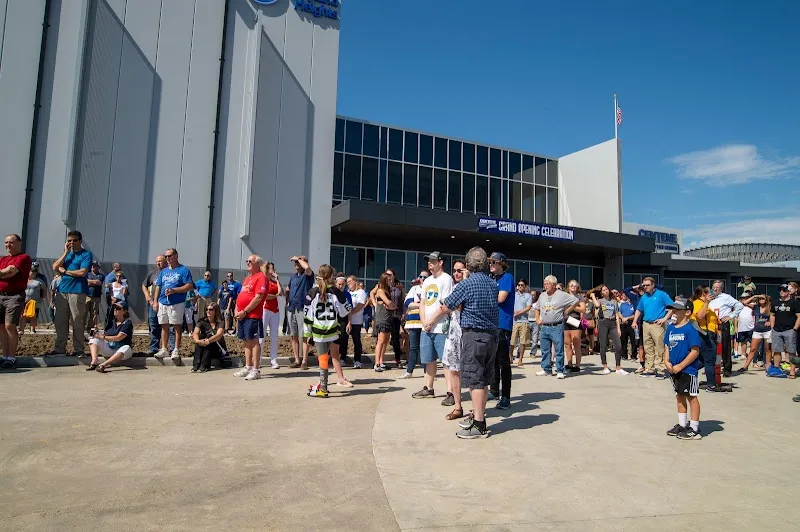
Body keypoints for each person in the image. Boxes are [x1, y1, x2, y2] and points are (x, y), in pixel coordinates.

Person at [435, 247, 498, 439]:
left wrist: (445, 303)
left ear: (469, 265)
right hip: (492, 336)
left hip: (474, 335)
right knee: (484, 379)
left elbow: (447, 305)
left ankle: (479, 424)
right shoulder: (492, 284)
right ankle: (478, 417)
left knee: (474, 380)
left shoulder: (466, 284)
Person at [305, 264, 354, 397]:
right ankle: (322, 384)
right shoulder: (336, 292)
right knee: (325, 357)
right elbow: (345, 310)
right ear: (331, 275)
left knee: (323, 359)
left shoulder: (313, 292)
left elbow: (307, 314)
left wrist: (307, 332)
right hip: (332, 331)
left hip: (318, 331)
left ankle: (324, 388)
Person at [415, 251, 454, 398]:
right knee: (428, 359)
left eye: (432, 260)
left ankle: (450, 392)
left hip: (440, 327)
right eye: (428, 260)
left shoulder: (446, 279)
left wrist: (431, 321)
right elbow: (423, 303)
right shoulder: (427, 281)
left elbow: (446, 304)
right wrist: (424, 321)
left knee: (445, 361)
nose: (429, 263)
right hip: (427, 327)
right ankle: (428, 388)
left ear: (440, 262)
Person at [663, 297, 703, 440]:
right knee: (679, 396)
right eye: (673, 309)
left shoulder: (690, 330)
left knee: (691, 396)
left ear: (687, 312)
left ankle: (694, 428)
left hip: (688, 369)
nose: (673, 312)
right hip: (674, 369)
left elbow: (695, 351)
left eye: (677, 309)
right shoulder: (671, 328)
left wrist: (681, 365)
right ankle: (682, 424)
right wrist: (666, 361)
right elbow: (667, 346)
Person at [50, 231, 92, 357]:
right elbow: (55, 266)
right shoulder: (68, 255)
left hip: (77, 291)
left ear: (80, 241)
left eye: (74, 240)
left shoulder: (86, 254)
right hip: (62, 291)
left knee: (77, 321)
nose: (71, 243)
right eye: (69, 240)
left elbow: (82, 273)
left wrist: (66, 272)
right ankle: (59, 348)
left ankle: (78, 349)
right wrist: (65, 253)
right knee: (60, 321)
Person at [152, 248, 194, 361]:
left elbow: (189, 286)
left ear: (176, 256)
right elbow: (158, 286)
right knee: (164, 325)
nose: (168, 258)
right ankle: (164, 349)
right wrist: (155, 301)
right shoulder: (164, 271)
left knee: (176, 326)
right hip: (162, 302)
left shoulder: (183, 270)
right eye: (166, 257)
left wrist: (175, 290)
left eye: (169, 256)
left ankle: (175, 349)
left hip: (176, 302)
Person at [231, 255, 267, 380]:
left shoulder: (261, 277)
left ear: (257, 263)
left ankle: (256, 369)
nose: (247, 263)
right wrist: (237, 309)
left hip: (252, 315)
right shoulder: (247, 279)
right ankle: (248, 366)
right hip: (242, 315)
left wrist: (245, 311)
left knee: (254, 341)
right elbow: (241, 295)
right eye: (246, 261)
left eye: (250, 261)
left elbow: (258, 297)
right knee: (246, 340)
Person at [535, 275, 578, 379]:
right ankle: (546, 369)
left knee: (559, 349)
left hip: (557, 326)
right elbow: (537, 308)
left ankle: (560, 370)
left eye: (548, 284)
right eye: (545, 284)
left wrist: (567, 311)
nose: (545, 285)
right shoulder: (542, 295)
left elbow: (576, 301)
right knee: (545, 349)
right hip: (544, 326)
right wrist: (537, 318)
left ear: (554, 285)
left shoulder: (561, 295)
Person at [441, 260, 467, 420]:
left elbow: (455, 305)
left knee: (469, 370)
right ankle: (458, 406)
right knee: (452, 368)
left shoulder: (468, 286)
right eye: (455, 270)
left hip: (467, 331)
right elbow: (448, 306)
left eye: (460, 270)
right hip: (453, 331)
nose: (457, 273)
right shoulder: (453, 287)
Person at [632, 277, 673, 379]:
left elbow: (672, 307)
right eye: (644, 285)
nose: (645, 287)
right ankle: (649, 368)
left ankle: (660, 369)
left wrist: (664, 319)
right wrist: (634, 321)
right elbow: (639, 309)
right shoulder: (644, 297)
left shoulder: (661, 294)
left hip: (657, 324)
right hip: (646, 323)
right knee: (648, 347)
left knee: (660, 347)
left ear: (653, 285)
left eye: (647, 285)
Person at [488, 252, 514, 409]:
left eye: (494, 262)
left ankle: (506, 396)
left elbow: (500, 298)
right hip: (491, 324)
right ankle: (494, 389)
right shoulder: (491, 279)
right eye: (490, 262)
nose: (491, 265)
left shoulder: (507, 278)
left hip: (502, 324)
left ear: (502, 264)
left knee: (503, 362)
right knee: (493, 361)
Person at [86, 300, 134, 373]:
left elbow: (118, 338)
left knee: (127, 348)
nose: (115, 309)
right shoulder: (111, 322)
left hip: (121, 352)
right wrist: (96, 330)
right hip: (109, 348)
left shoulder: (127, 323)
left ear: (124, 311)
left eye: (118, 308)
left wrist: (102, 337)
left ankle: (103, 365)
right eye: (114, 308)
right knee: (93, 339)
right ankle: (94, 361)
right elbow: (104, 334)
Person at [708, 280, 744, 378]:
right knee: (712, 347)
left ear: (721, 289)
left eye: (717, 287)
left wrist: (731, 316)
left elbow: (739, 305)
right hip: (711, 325)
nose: (715, 289)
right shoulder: (709, 298)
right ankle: (713, 368)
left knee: (725, 347)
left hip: (723, 324)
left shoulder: (726, 297)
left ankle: (727, 369)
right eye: (714, 287)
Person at [591, 285, 627, 374]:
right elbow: (596, 305)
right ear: (601, 293)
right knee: (603, 345)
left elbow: (617, 314)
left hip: (613, 323)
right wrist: (592, 296)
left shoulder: (614, 302)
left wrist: (618, 328)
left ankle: (618, 367)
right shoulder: (600, 301)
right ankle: (605, 366)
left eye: (607, 289)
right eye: (604, 290)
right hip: (603, 322)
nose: (606, 291)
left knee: (618, 345)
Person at [141, 255, 174, 355]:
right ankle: (153, 348)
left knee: (170, 326)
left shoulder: (170, 273)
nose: (158, 263)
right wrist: (148, 297)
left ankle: (172, 348)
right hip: (153, 304)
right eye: (157, 261)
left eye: (160, 261)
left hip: (167, 303)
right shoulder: (153, 273)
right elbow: (144, 285)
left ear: (166, 261)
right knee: (154, 325)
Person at [285, 256, 314, 370]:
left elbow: (307, 268)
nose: (296, 263)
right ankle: (297, 360)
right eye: (295, 262)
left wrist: (299, 258)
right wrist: (287, 301)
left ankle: (304, 361)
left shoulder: (307, 276)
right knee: (294, 335)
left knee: (304, 335)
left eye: (298, 262)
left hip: (302, 308)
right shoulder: (293, 277)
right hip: (292, 307)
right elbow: (288, 288)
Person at [398, 270, 427, 379]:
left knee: (425, 347)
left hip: (426, 321)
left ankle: (427, 372)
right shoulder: (414, 289)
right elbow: (408, 303)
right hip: (414, 322)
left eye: (425, 276)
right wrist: (422, 304)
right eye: (421, 276)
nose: (423, 279)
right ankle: (409, 371)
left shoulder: (430, 288)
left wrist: (418, 304)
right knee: (413, 347)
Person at [690, 285, 719, 391]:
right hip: (704, 334)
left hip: (708, 333)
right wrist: (706, 302)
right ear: (703, 294)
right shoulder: (698, 303)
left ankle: (684, 371)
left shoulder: (703, 304)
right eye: (709, 291)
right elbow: (700, 316)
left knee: (702, 360)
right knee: (710, 360)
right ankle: (711, 385)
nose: (712, 293)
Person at [770, 284, 800, 379]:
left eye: (784, 290)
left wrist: (795, 329)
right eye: (780, 290)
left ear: (788, 291)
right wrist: (772, 328)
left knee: (791, 352)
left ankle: (792, 371)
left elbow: (799, 316)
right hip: (777, 330)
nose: (782, 291)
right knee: (776, 351)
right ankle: (776, 370)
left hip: (790, 330)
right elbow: (772, 315)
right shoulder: (775, 302)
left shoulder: (794, 303)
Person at [191, 302, 227, 372]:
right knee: (200, 336)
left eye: (210, 309)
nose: (208, 311)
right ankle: (196, 364)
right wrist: (198, 341)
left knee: (210, 336)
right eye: (206, 309)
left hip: (217, 348)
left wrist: (208, 340)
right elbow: (195, 333)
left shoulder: (220, 322)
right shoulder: (201, 321)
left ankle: (204, 365)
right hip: (205, 347)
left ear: (216, 311)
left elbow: (219, 335)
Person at [259, 262, 282, 370]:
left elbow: (281, 293)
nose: (272, 270)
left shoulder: (274, 281)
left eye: (273, 268)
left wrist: (277, 280)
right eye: (271, 268)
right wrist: (275, 295)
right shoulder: (263, 280)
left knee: (274, 337)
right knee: (261, 336)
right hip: (265, 309)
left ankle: (274, 360)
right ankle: (258, 360)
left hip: (275, 311)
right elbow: (265, 296)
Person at [371, 273, 395, 372]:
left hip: (388, 317)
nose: (391, 281)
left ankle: (381, 361)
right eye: (389, 279)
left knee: (385, 341)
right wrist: (375, 304)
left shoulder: (387, 290)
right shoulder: (380, 290)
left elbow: (390, 304)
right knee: (380, 341)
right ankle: (376, 363)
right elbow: (388, 302)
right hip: (382, 318)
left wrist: (391, 306)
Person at [563, 280, 586, 373]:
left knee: (576, 344)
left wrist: (572, 306)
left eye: (575, 285)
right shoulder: (564, 296)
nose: (573, 286)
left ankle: (577, 365)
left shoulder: (580, 297)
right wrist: (573, 305)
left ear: (577, 287)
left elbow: (583, 309)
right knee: (567, 344)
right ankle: (569, 364)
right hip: (565, 321)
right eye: (571, 285)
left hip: (575, 321)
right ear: (568, 287)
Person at [346, 275, 368, 369]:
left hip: (356, 320)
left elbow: (360, 305)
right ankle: (343, 358)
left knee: (356, 341)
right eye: (347, 282)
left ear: (355, 281)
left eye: (350, 281)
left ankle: (357, 360)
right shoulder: (347, 292)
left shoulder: (361, 292)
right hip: (346, 321)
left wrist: (350, 312)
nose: (348, 284)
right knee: (343, 340)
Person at [512, 279, 532, 368]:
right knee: (512, 341)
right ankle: (510, 357)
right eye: (519, 285)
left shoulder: (528, 296)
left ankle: (520, 359)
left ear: (525, 286)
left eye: (522, 285)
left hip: (524, 321)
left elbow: (528, 307)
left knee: (522, 342)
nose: (520, 286)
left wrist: (518, 312)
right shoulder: (513, 295)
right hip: (514, 321)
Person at [20, 270, 47, 335]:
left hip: (34, 301)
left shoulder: (39, 281)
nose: (33, 273)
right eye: (32, 271)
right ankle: (22, 330)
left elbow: (44, 289)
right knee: (23, 316)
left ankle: (32, 329)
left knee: (33, 316)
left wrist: (43, 297)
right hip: (24, 300)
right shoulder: (23, 279)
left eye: (35, 272)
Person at [735, 291, 755, 363]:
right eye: (743, 298)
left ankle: (752, 355)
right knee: (743, 342)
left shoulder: (753, 304)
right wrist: (736, 327)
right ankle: (743, 354)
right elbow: (736, 317)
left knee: (752, 342)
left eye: (746, 298)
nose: (744, 299)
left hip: (751, 326)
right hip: (741, 327)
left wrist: (746, 303)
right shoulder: (738, 306)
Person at [618, 291, 636, 360]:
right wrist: (622, 318)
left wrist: (628, 318)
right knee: (623, 339)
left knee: (633, 340)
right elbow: (619, 312)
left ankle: (633, 355)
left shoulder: (633, 304)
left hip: (632, 323)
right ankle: (624, 355)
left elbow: (636, 314)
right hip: (623, 323)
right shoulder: (622, 304)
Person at [85, 261, 103, 331]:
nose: (93, 267)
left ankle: (90, 329)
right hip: (87, 296)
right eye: (92, 265)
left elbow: (98, 282)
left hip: (96, 297)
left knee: (94, 314)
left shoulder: (101, 275)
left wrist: (89, 282)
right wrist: (93, 282)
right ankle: (82, 328)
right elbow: (85, 282)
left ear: (98, 267)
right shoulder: (87, 274)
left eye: (95, 266)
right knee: (84, 313)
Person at [527, 289, 540, 361]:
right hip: (527, 321)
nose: (532, 296)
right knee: (523, 338)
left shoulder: (538, 303)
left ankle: (533, 353)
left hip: (535, 322)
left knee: (535, 338)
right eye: (531, 295)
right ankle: (519, 352)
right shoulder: (527, 302)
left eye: (533, 295)